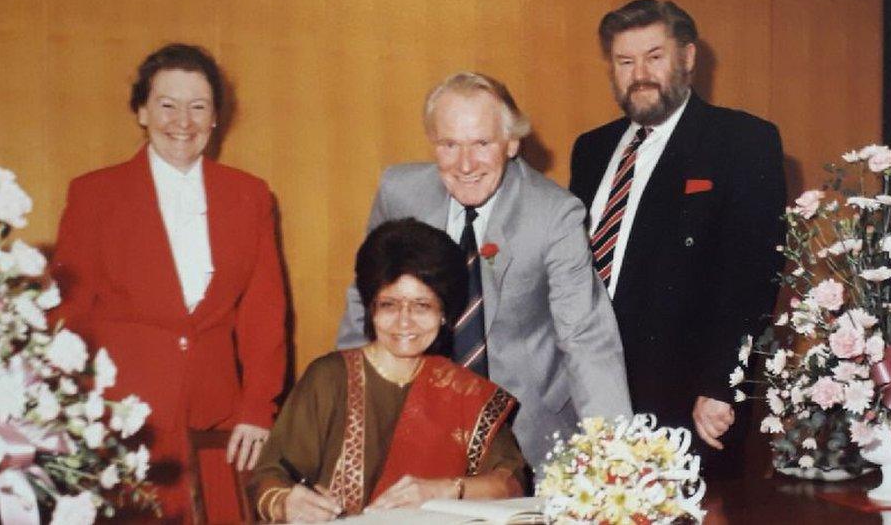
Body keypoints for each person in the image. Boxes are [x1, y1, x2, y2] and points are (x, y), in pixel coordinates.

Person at [337, 72, 632, 470]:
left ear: (512, 143)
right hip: (418, 425)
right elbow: (366, 303)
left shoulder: (554, 214)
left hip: (528, 430)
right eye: (449, 144)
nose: (465, 165)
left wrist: (618, 458)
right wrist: (350, 416)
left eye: (481, 143)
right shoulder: (399, 192)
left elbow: (586, 339)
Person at [51, 43, 287, 522]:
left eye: (199, 106)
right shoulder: (94, 195)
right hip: (124, 428)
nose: (184, 120)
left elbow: (265, 313)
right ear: (141, 111)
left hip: (219, 429)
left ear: (216, 117)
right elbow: (68, 316)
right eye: (167, 104)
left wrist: (257, 409)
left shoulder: (250, 195)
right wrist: (74, 418)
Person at [568, 0, 786, 476]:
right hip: (588, 387)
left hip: (688, 399)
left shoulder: (742, 141)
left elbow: (753, 276)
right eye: (625, 62)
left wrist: (721, 384)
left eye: (654, 56)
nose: (639, 73)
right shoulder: (591, 149)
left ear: (687, 58)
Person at [251, 219, 526, 523]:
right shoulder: (329, 378)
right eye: (389, 305)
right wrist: (286, 503)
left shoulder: (466, 392)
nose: (404, 322)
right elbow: (269, 477)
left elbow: (511, 483)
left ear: (444, 313)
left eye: (422, 306)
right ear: (371, 309)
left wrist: (446, 490)